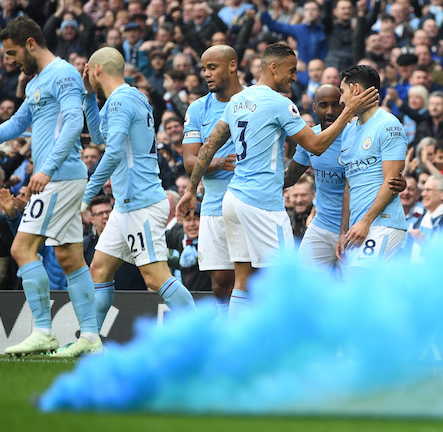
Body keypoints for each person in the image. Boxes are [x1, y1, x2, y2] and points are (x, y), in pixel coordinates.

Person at [176, 44, 377, 314]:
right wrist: (348, 110)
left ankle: (236, 344)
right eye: (291, 70)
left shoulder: (238, 101)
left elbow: (208, 145)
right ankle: (279, 348)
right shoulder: (280, 103)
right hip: (262, 203)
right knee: (285, 280)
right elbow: (316, 145)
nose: (294, 77)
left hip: (233, 200)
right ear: (274, 67)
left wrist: (190, 190)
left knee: (243, 281)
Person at [0, 16, 98, 357]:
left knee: (22, 249)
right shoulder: (38, 82)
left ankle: (43, 331)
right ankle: (91, 338)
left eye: (12, 53)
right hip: (62, 176)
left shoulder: (65, 74)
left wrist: (48, 168)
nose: (10, 61)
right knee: (69, 257)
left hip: (60, 176)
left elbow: (73, 121)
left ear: (30, 44)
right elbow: (20, 122)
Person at [82, 47, 195, 347]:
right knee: (99, 269)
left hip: (141, 203)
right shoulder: (131, 97)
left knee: (156, 278)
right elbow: (98, 138)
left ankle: (203, 337)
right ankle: (91, 340)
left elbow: (114, 150)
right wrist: (88, 98)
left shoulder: (120, 102)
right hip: (126, 204)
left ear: (96, 70)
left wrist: (87, 194)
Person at [285, 84, 406, 274]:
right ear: (314, 108)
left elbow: (383, 174)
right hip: (322, 225)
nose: (330, 111)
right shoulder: (311, 139)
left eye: (336, 105)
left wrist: (400, 181)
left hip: (356, 229)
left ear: (343, 106)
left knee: (353, 291)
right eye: (324, 105)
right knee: (301, 284)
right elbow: (289, 178)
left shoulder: (357, 135)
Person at [182, 45, 240, 315]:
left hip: (248, 204)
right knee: (220, 282)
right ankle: (225, 330)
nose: (206, 74)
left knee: (251, 279)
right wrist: (217, 162)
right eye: (203, 68)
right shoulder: (198, 108)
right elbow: (189, 161)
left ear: (232, 66)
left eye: (212, 67)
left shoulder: (255, 101)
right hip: (214, 205)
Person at [336, 65, 409, 270]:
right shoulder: (349, 131)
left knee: (360, 283)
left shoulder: (388, 124)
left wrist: (366, 222)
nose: (341, 100)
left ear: (356, 89)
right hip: (357, 228)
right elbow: (349, 187)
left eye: (343, 92)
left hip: (382, 223)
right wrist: (344, 232)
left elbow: (392, 181)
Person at [82, 195, 145, 292]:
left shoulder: (131, 238)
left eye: (108, 212)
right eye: (100, 213)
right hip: (99, 296)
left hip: (134, 298)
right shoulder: (86, 244)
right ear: (92, 219)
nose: (105, 216)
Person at [407, 173, 443, 264]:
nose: (423, 194)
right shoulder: (424, 215)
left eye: (428, 190)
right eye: (423, 190)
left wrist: (424, 244)